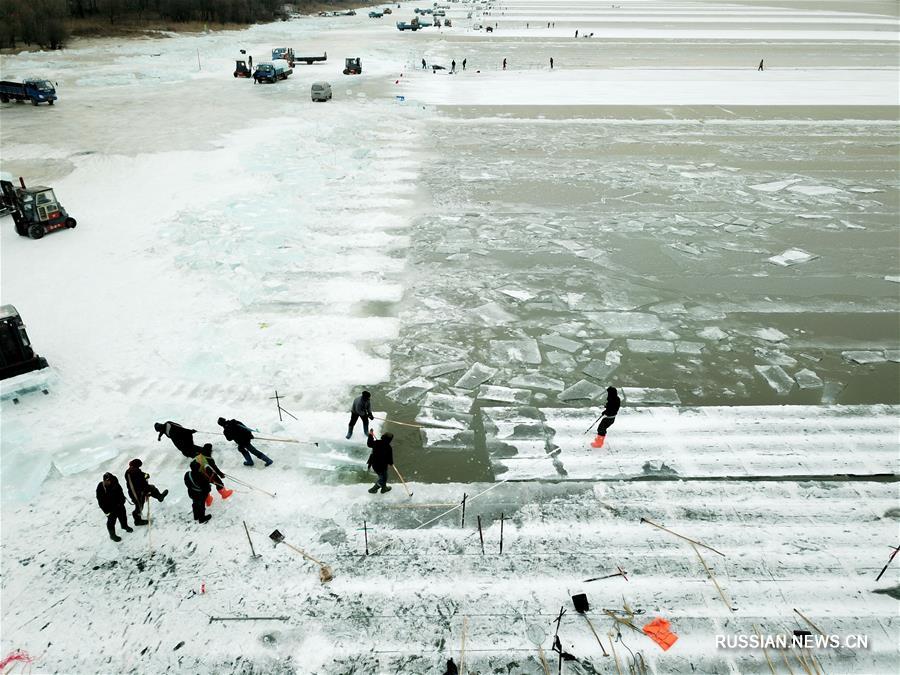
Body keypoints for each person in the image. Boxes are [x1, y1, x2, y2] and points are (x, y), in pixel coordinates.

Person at [125, 459, 168, 526]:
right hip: (137, 493)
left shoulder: (132, 471)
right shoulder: (134, 472)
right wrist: (145, 491)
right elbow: (140, 483)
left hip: (138, 491)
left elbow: (141, 475)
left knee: (152, 488)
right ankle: (137, 521)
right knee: (139, 506)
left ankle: (160, 497)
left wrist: (145, 475)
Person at [96, 473, 133, 542]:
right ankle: (112, 535)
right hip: (110, 508)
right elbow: (100, 500)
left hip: (119, 505)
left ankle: (124, 526)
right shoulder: (101, 487)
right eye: (106, 481)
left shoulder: (115, 482)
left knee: (123, 516)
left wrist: (122, 501)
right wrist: (106, 511)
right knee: (111, 522)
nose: (108, 482)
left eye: (109, 480)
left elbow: (120, 492)